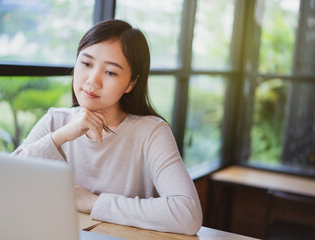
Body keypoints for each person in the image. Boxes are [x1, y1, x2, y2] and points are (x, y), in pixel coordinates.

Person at [12, 19, 202, 235]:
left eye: (110, 72)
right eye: (86, 64)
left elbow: (187, 214)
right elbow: (5, 183)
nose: (93, 81)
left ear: (131, 83)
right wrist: (60, 137)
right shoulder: (56, 121)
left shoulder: (151, 132)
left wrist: (94, 203)